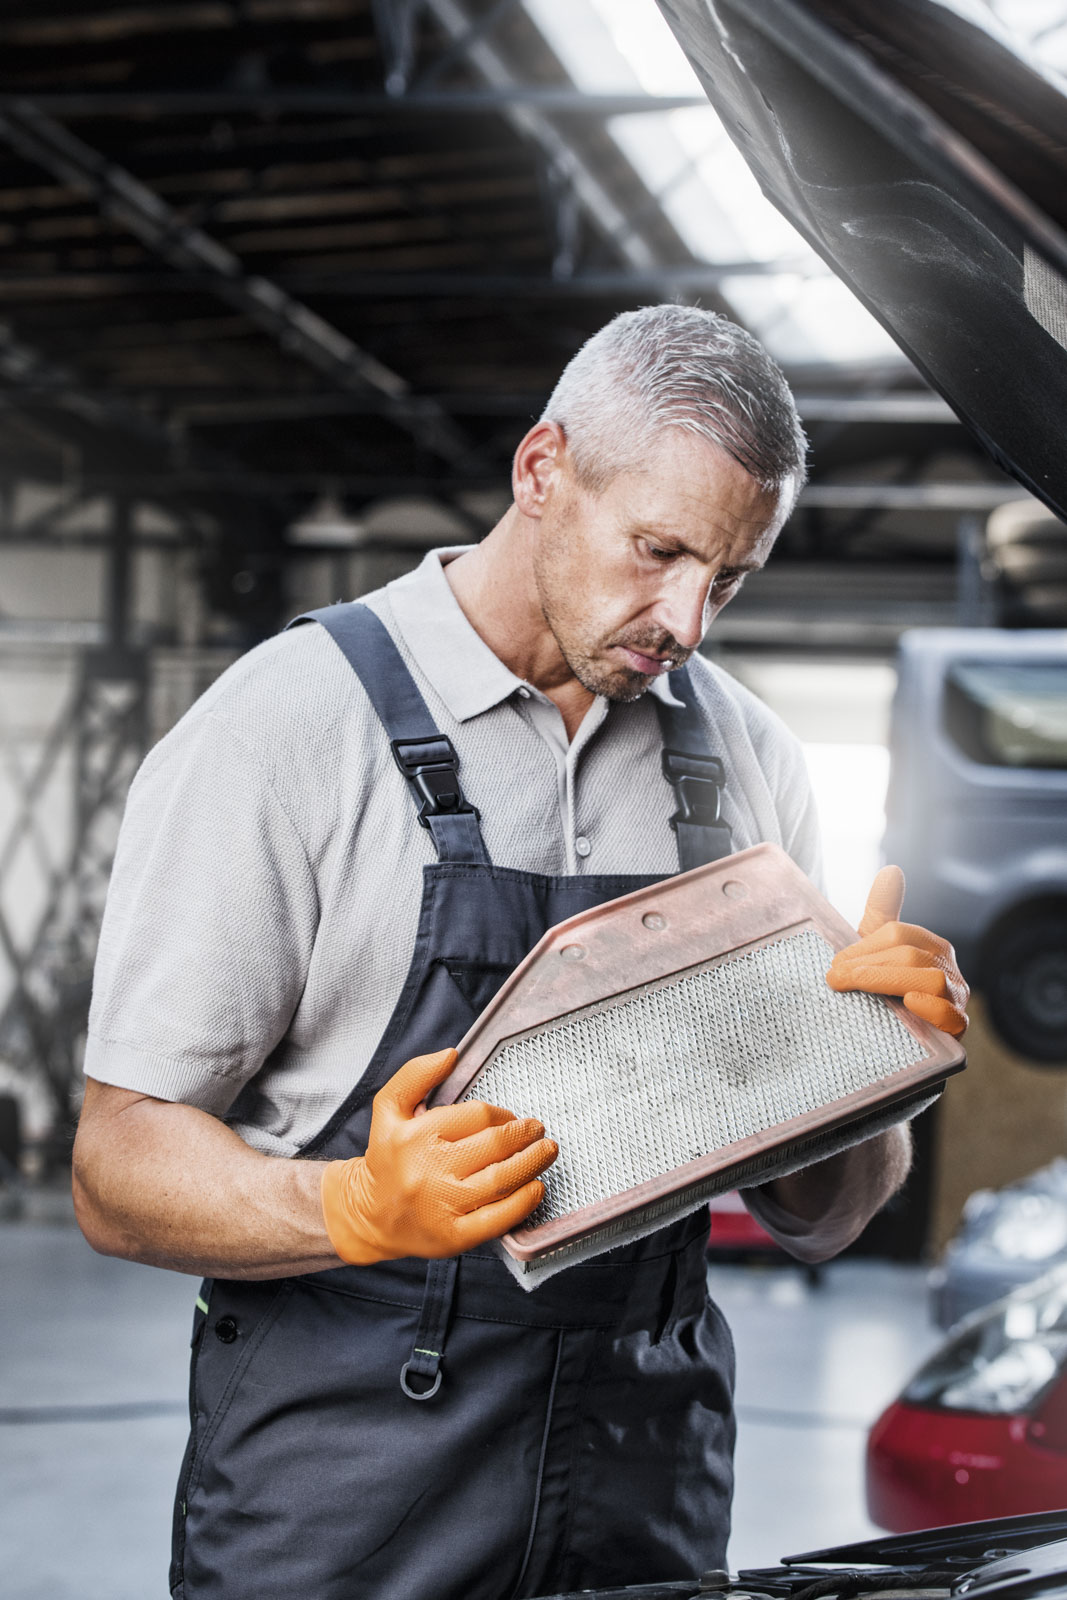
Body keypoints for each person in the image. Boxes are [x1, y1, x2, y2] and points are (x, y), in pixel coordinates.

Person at [72, 305, 968, 1600]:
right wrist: (357, 1208)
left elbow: (822, 1218)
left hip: (646, 1492)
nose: (689, 621)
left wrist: (875, 1064)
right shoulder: (284, 732)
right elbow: (115, 1167)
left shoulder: (749, 763)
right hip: (344, 1507)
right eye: (658, 550)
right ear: (542, 471)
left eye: (728, 577)